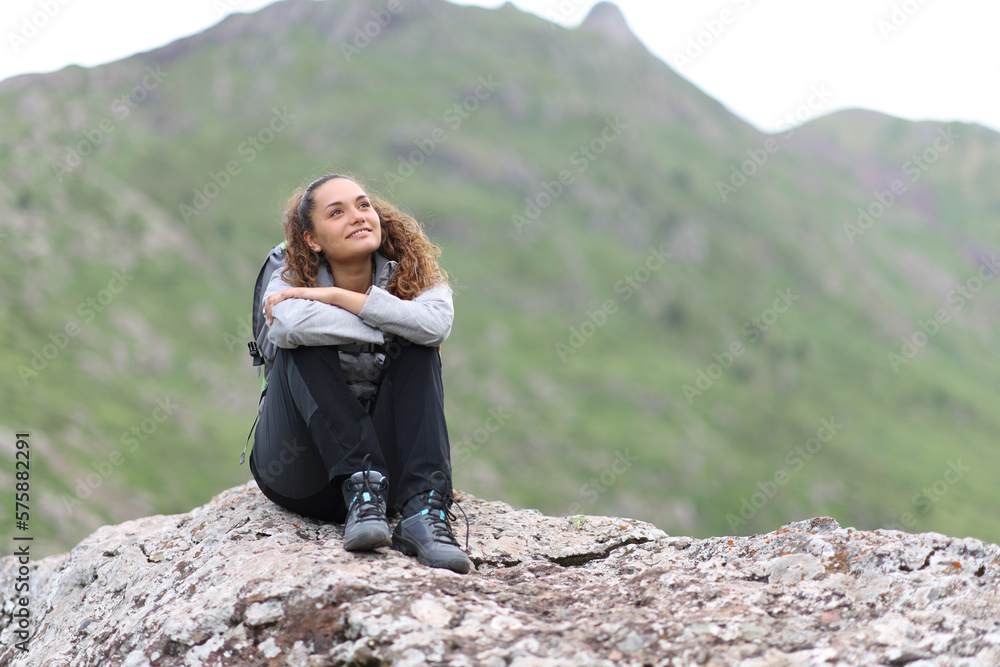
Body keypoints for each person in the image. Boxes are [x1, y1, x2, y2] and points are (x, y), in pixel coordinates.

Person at [249, 173, 471, 574]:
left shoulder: (411, 267)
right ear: (313, 239)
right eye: (337, 212)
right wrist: (395, 321)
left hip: (391, 482)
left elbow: (436, 325)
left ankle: (424, 511)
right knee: (303, 345)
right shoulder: (285, 266)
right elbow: (288, 325)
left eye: (363, 205)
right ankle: (360, 483)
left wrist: (335, 298)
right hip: (301, 473)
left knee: (418, 345)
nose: (357, 216)